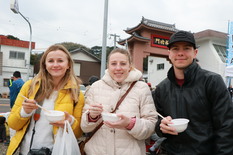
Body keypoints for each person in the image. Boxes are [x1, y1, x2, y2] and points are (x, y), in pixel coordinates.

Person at [152, 30, 233, 154]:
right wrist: (161, 127)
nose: (180, 53)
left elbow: (226, 126)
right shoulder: (162, 88)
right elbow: (156, 122)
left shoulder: (212, 81)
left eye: (186, 48)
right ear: (169, 54)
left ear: (195, 53)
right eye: (175, 49)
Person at [7, 44, 85, 155]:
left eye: (60, 61)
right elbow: (12, 124)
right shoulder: (30, 86)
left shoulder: (76, 93)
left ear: (68, 65)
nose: (55, 65)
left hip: (57, 151)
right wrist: (25, 112)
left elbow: (77, 133)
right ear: (44, 65)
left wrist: (70, 122)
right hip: (27, 151)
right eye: (51, 61)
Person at [81, 48, 157, 155]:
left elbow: (150, 127)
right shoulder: (95, 87)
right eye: (113, 64)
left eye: (123, 63)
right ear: (108, 66)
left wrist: (130, 124)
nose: (118, 68)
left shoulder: (142, 88)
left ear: (129, 66)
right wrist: (91, 116)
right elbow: (84, 127)